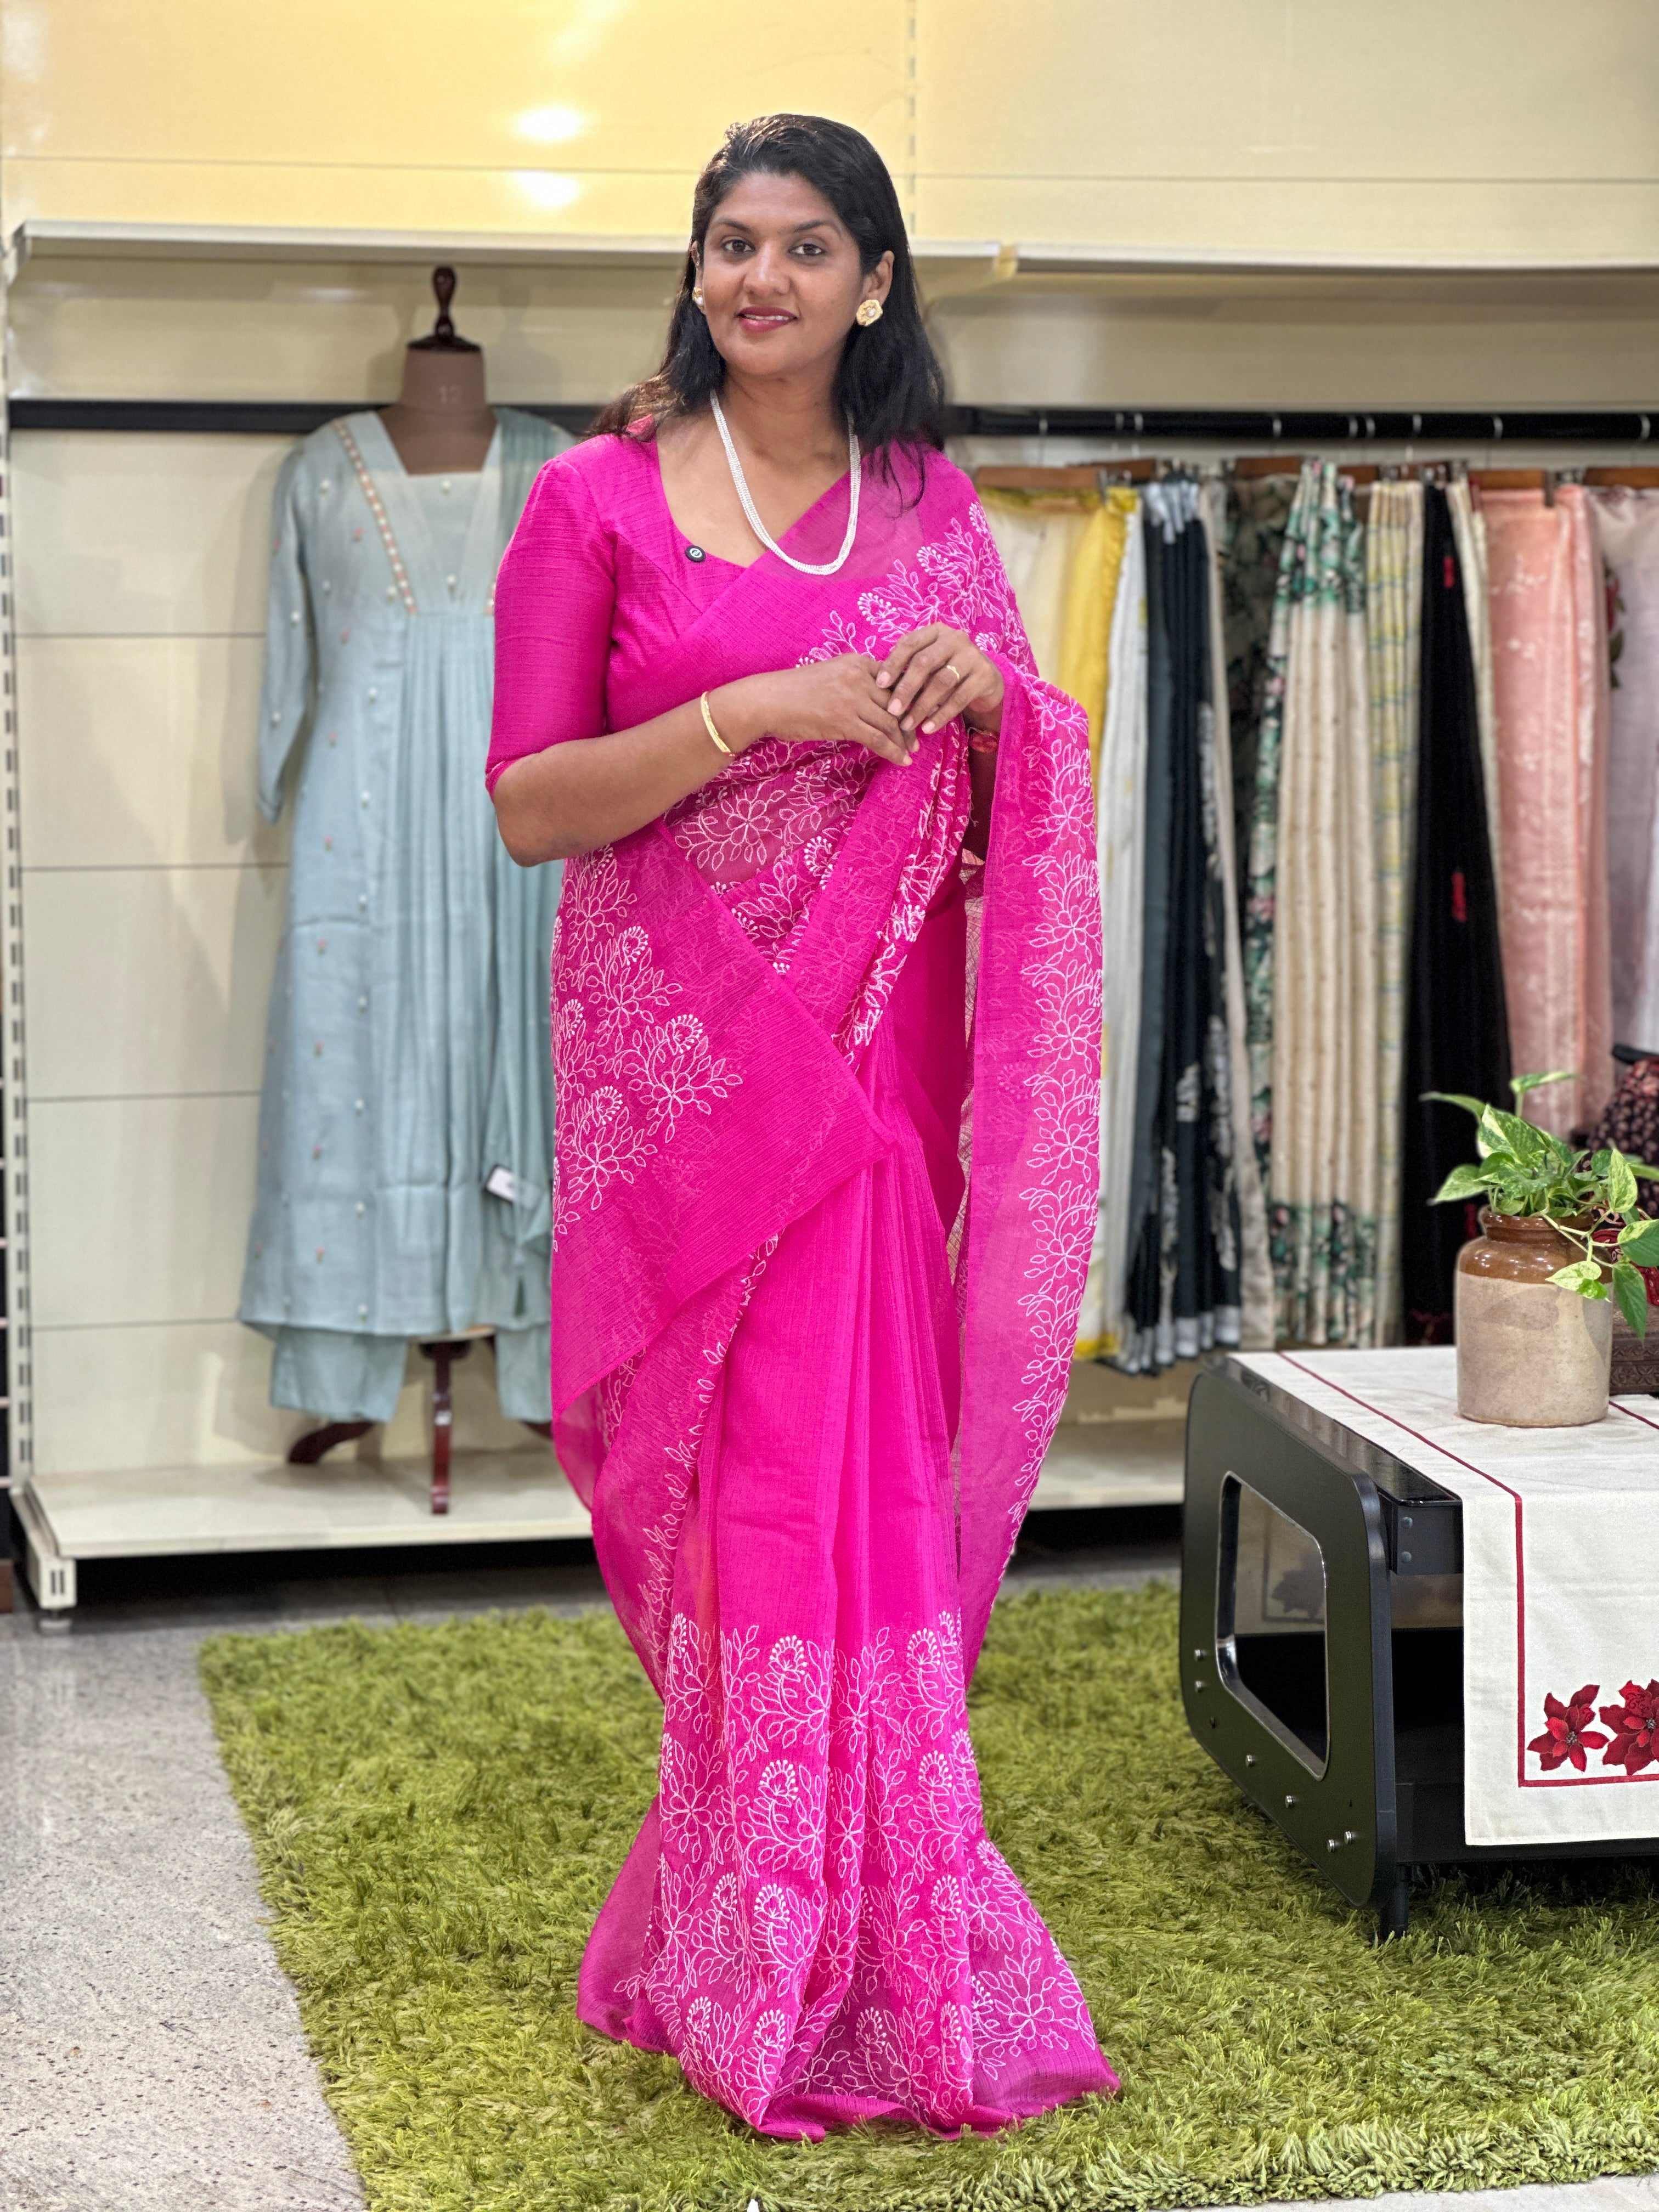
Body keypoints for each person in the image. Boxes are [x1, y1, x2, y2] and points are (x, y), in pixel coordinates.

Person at [488, 111, 1113, 2139]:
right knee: (726, 1492)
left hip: (870, 1083)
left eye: (806, 244)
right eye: (731, 242)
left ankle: (864, 1923)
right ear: (697, 270)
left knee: (842, 1482)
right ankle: (756, 1924)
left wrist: (993, 708)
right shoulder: (592, 499)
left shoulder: (927, 502)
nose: (761, 277)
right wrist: (753, 713)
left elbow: (1017, 785)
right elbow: (531, 805)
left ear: (874, 281)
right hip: (686, 1081)